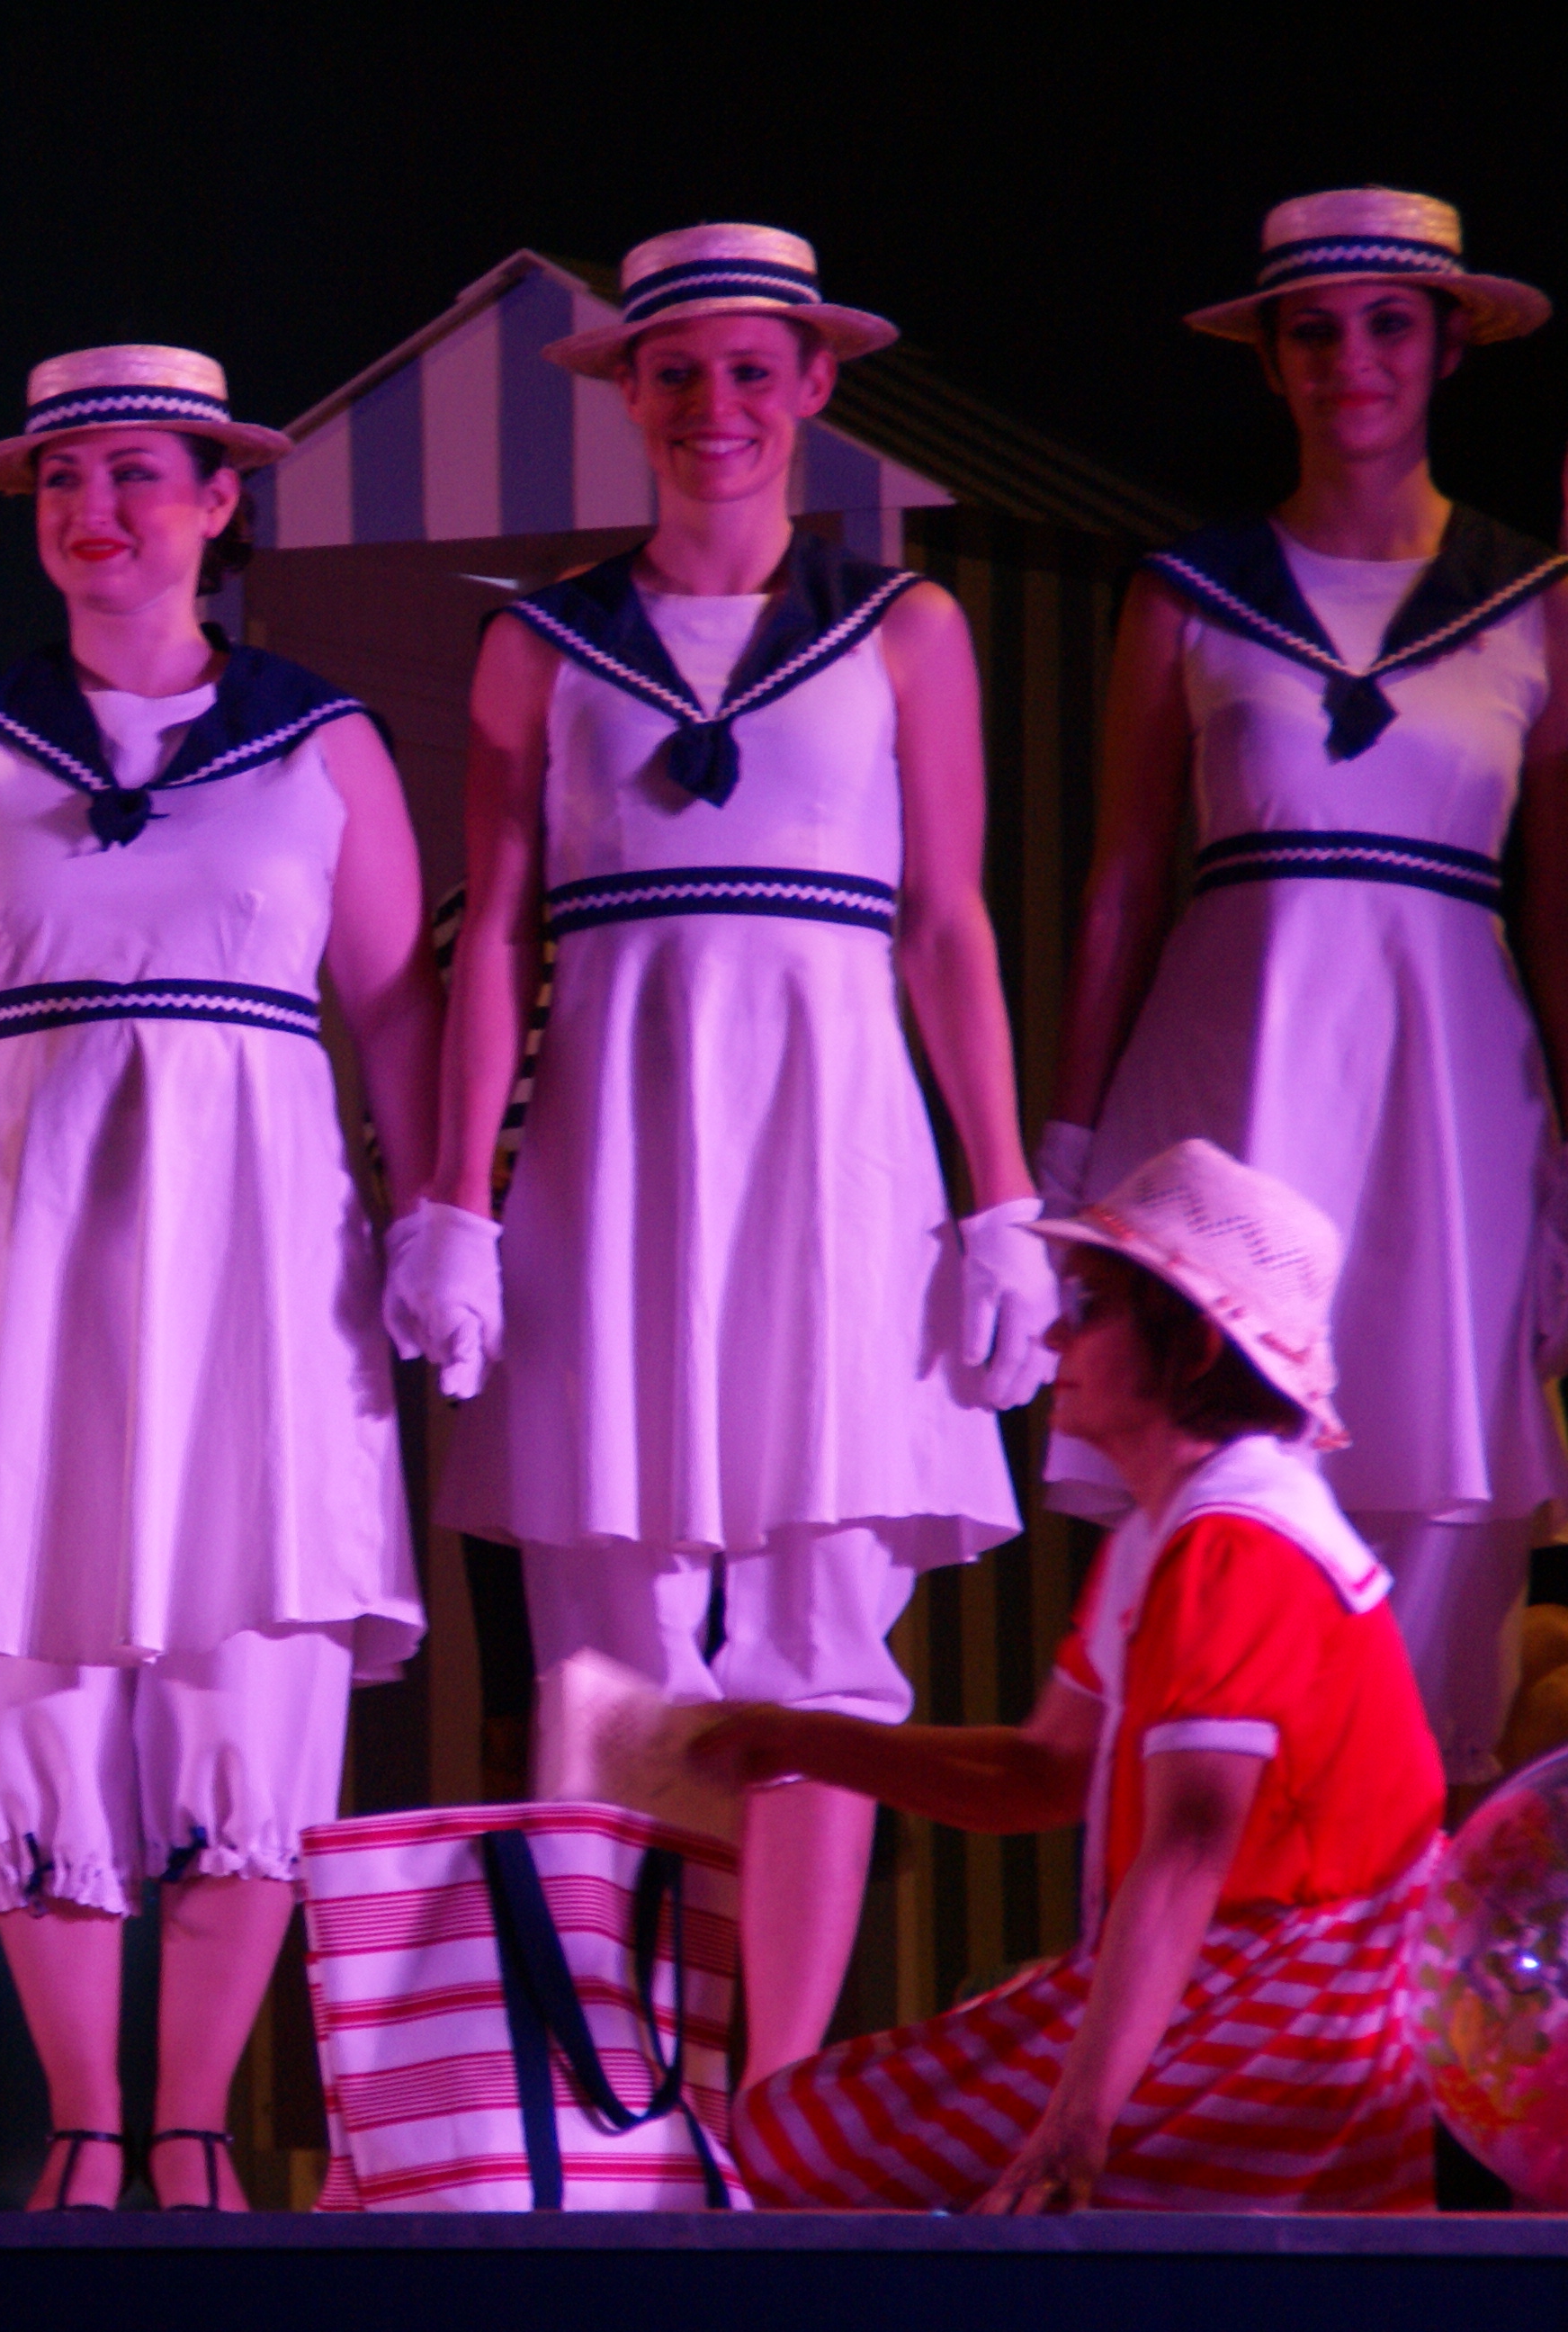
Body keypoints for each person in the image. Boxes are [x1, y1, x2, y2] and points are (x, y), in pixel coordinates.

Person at [399, 224, 1053, 2089]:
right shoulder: (539, 645)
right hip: (616, 1156)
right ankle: (629, 2100)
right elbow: (495, 933)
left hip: (834, 1160)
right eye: (674, 369)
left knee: (818, 1630)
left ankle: (769, 2106)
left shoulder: (903, 629)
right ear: (627, 390)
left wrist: (1002, 1196)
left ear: (813, 384)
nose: (714, 404)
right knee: (614, 1641)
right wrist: (455, 1198)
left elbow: (946, 924)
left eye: (750, 368)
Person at [0, 345, 435, 2210]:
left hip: (254, 1254)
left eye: (131, 475)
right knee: (26, 1641)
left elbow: (394, 1006)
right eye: (60, 480)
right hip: (17, 1250)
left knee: (242, 1647)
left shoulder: (319, 742)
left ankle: (191, 2134)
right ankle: (86, 2131)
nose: (91, 510)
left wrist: (437, 1212)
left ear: (215, 501)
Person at [1039, 189, 1568, 1803]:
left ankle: (1411, 1940)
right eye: (1313, 331)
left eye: (1387, 324)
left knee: (1435, 1497)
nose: (1352, 360)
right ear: (1269, 361)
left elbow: (1556, 906)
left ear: (1449, 346)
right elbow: (1122, 879)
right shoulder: (1188, 594)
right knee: (1225, 1490)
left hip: (1451, 1105)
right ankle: (1198, 1925)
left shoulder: (1533, 599)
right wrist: (1065, 1141)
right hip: (1234, 1089)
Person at [720, 1141, 1442, 2212]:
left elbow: (1189, 1846)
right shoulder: (1166, 1534)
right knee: (787, 2136)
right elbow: (1038, 1774)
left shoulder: (1241, 1541)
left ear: (1194, 1343)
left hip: (1296, 2003)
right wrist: (795, 1740)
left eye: (1090, 1308)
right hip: (1231, 1973)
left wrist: (1072, 2128)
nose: (1056, 1336)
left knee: (796, 2152)